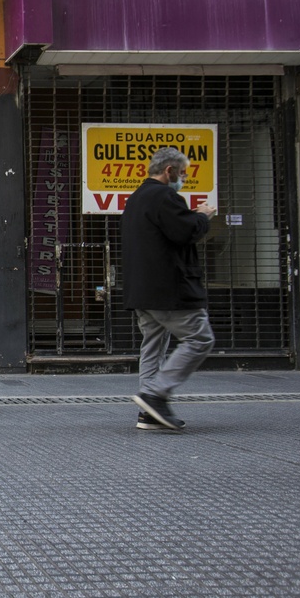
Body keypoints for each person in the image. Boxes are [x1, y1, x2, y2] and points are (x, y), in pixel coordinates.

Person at [121, 146, 217, 431]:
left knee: (153, 346)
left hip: (142, 290)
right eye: (183, 173)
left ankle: (148, 414)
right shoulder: (164, 196)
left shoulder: (136, 198)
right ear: (169, 171)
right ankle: (155, 395)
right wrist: (202, 215)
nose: (184, 178)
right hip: (168, 289)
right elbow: (185, 231)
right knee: (200, 339)